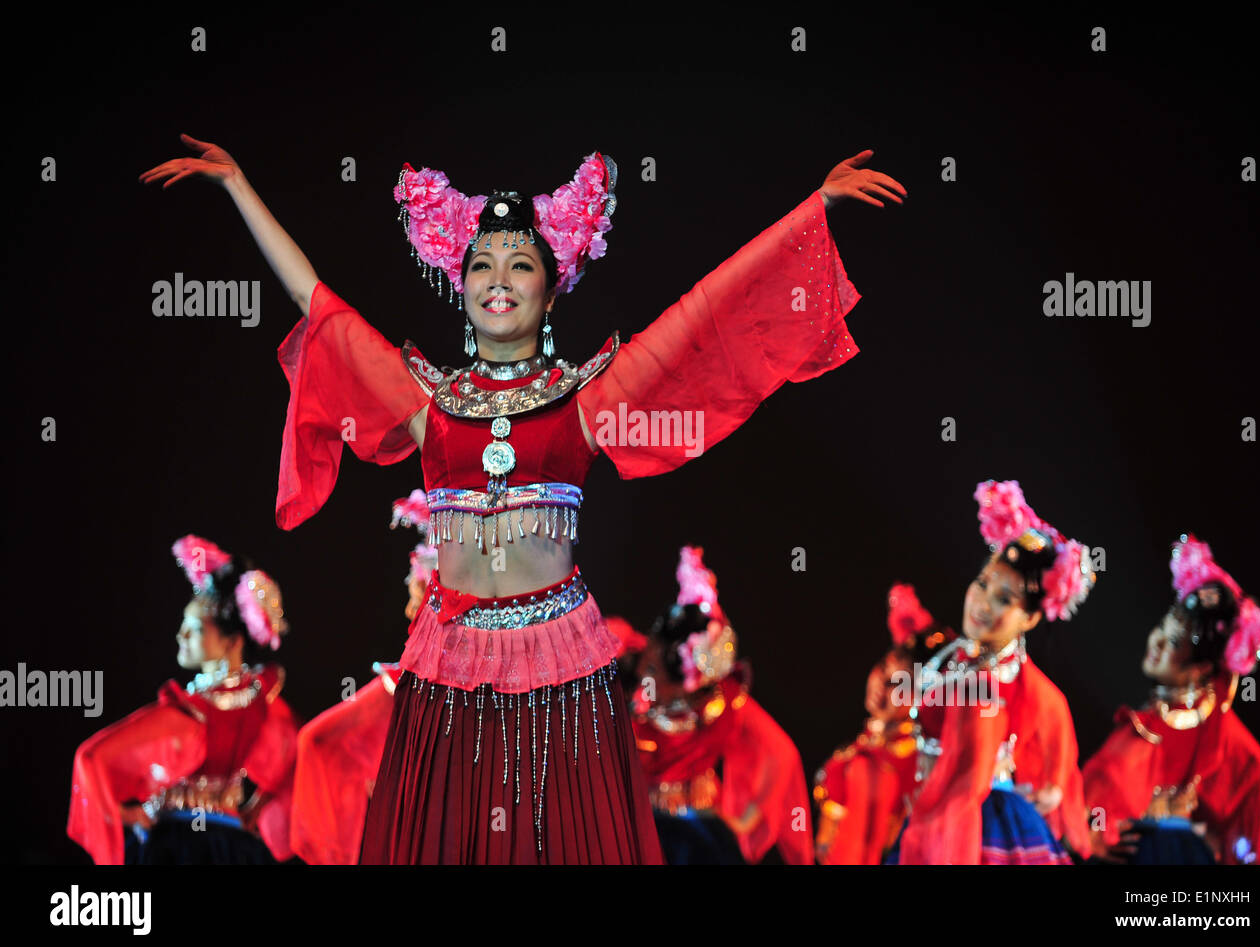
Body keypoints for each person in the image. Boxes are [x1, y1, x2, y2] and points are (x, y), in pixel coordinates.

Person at [139, 134, 905, 864]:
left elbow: (707, 311)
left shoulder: (588, 399)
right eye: (480, 264)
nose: (497, 278)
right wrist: (238, 186)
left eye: (519, 263)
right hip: (449, 663)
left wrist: (817, 210)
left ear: (553, 284)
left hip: (560, 660)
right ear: (459, 282)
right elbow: (319, 303)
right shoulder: (427, 403)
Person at [893, 480, 1096, 864]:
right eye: (983, 584)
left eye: (1004, 598)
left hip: (977, 824)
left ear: (1032, 618)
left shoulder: (1025, 689)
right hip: (935, 812)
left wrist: (1051, 792)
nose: (983, 603)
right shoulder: (950, 659)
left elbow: (1058, 780)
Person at [67, 535, 298, 864]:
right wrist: (253, 809)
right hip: (236, 846)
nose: (181, 635)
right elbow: (295, 758)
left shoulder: (192, 714)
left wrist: (127, 815)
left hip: (178, 845)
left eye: (195, 629)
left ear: (232, 640)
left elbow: (91, 758)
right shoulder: (265, 701)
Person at [1083, 534, 1260, 864]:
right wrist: (1091, 831)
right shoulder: (1146, 723)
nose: (1157, 641)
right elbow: (1098, 796)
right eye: (1162, 627)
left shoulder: (1231, 747)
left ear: (1202, 667)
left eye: (1174, 643)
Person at [614, 546, 815, 865]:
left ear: (689, 684)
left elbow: (781, 753)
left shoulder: (723, 704)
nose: (642, 672)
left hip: (699, 835)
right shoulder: (620, 675)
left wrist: (744, 822)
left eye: (653, 671)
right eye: (647, 657)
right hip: (632, 828)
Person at [289, 490, 435, 865]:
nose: (408, 610)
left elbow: (317, 741)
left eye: (414, 593)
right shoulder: (502, 676)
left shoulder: (406, 685)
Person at [813, 583, 957, 864]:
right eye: (882, 669)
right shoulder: (860, 749)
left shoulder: (917, 766)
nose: (881, 684)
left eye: (897, 683)